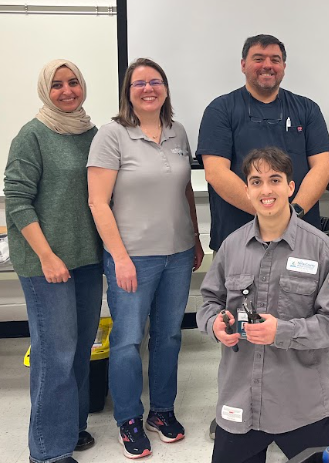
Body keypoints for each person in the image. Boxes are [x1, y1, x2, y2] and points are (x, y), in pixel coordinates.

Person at [197, 147, 329, 463]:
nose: (266, 190)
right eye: (256, 181)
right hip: (242, 400)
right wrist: (214, 324)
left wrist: (282, 331)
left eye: (275, 180)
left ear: (290, 187)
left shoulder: (320, 248)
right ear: (247, 190)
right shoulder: (231, 247)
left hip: (302, 404)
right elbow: (209, 302)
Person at [87, 58, 204, 459]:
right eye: (139, 83)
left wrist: (196, 237)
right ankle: (129, 419)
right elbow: (97, 202)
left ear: (166, 89)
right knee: (127, 340)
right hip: (133, 257)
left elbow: (185, 190)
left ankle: (162, 411)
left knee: (169, 336)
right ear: (128, 91)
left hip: (178, 253)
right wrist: (119, 257)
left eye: (156, 82)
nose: (148, 88)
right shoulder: (112, 135)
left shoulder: (178, 131)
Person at [4, 59, 103, 463]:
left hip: (86, 260)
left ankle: (72, 427)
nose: (67, 91)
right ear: (46, 90)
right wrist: (46, 256)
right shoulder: (32, 135)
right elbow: (17, 200)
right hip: (46, 264)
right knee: (55, 355)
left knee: (79, 351)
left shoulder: (93, 134)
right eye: (57, 84)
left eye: (73, 82)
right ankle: (47, 451)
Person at [197, 33, 329, 250]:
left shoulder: (308, 109)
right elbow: (216, 173)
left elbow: (323, 169)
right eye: (258, 59)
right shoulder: (220, 110)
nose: (267, 65)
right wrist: (270, 215)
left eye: (275, 60)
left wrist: (293, 213)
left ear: (283, 67)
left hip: (299, 237)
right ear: (243, 65)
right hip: (237, 240)